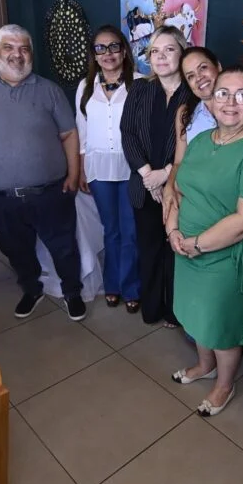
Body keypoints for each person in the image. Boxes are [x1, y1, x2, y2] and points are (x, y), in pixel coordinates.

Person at [166, 66, 243, 416]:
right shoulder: (201, 140)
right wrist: (173, 230)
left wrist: (197, 244)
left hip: (226, 258)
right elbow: (179, 189)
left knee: (221, 325)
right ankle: (205, 366)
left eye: (242, 95)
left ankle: (224, 385)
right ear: (211, 101)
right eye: (223, 93)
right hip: (186, 249)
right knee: (197, 315)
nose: (231, 102)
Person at [0, 24, 86, 322]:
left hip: (51, 191)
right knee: (15, 250)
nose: (17, 55)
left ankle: (72, 292)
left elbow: (69, 134)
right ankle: (32, 288)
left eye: (24, 49)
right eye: (9, 47)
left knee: (64, 247)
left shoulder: (50, 90)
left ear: (31, 54)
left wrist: (73, 173)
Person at [162, 46, 243, 223]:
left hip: (230, 203)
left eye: (203, 68)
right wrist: (169, 186)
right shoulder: (185, 114)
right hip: (194, 205)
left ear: (218, 66)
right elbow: (179, 161)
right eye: (190, 76)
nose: (199, 78)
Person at [121, 26, 189, 327]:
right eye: (155, 51)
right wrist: (149, 174)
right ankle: (151, 308)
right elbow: (127, 133)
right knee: (148, 250)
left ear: (182, 52)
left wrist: (167, 174)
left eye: (169, 49)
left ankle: (176, 312)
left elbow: (199, 141)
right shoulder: (139, 89)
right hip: (144, 185)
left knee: (176, 251)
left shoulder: (194, 92)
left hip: (181, 187)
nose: (161, 57)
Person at [76, 25, 143, 314]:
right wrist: (81, 169)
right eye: (100, 48)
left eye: (114, 46)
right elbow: (82, 131)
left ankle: (131, 287)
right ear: (94, 54)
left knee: (130, 231)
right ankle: (112, 284)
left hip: (131, 167)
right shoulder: (85, 86)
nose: (108, 53)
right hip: (98, 168)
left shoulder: (139, 83)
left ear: (124, 50)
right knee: (111, 230)